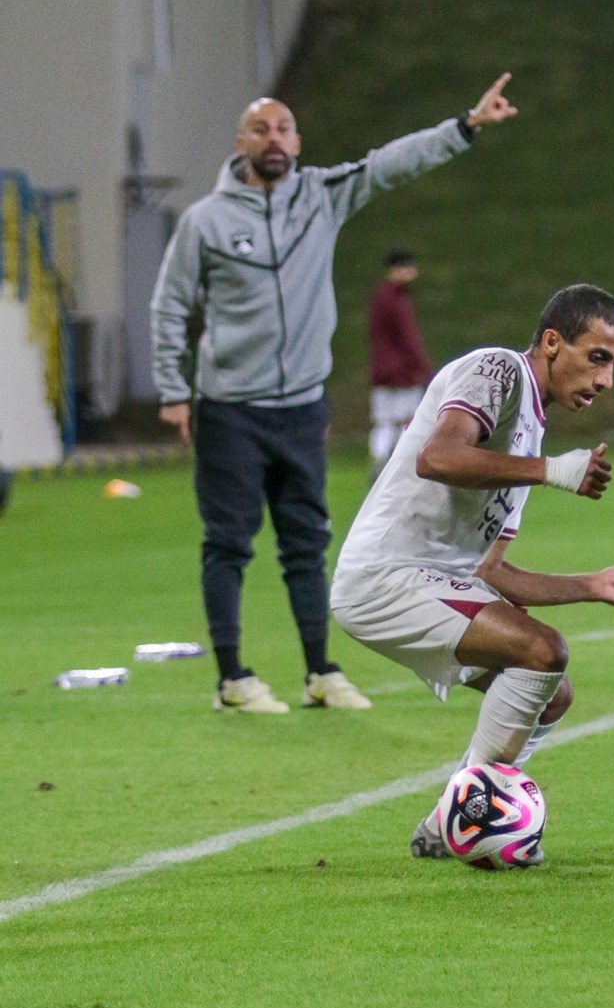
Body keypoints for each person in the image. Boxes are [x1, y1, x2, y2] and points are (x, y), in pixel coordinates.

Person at [151, 74, 519, 714]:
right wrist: (172, 390)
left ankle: (320, 672)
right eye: (262, 128)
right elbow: (169, 304)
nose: (275, 139)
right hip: (230, 407)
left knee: (306, 542)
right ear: (241, 141)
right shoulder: (204, 222)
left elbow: (388, 165)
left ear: (298, 141)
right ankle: (233, 679)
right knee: (229, 542)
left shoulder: (320, 197)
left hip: (300, 405)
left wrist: (466, 126)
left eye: (285, 129)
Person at [331, 283, 614, 864]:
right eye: (598, 358)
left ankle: (448, 822)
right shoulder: (498, 369)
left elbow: (492, 571)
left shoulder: (531, 432)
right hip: (387, 575)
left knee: (551, 694)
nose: (606, 380)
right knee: (543, 650)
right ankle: (467, 819)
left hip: (434, 582)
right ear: (553, 342)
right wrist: (549, 471)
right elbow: (437, 457)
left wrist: (591, 585)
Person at [368, 249, 434, 475]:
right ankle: (400, 466)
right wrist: (423, 367)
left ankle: (378, 461)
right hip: (404, 373)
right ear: (394, 269)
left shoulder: (379, 296)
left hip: (381, 372)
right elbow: (409, 338)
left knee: (383, 422)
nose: (411, 272)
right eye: (406, 267)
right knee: (407, 421)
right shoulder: (398, 299)